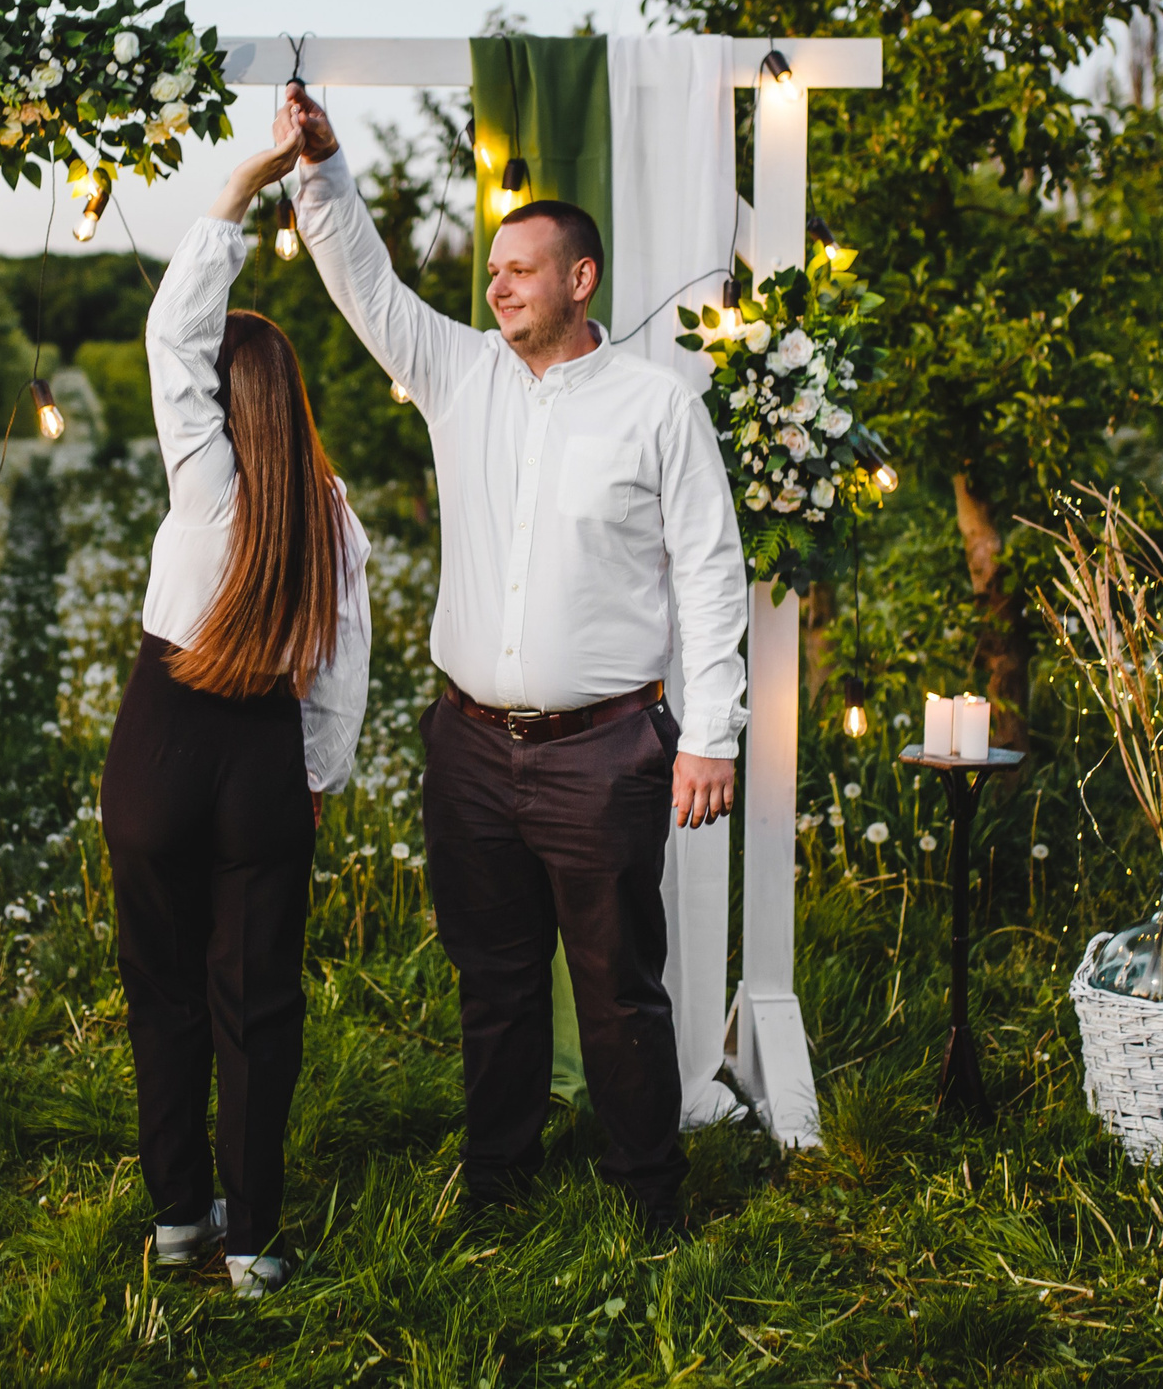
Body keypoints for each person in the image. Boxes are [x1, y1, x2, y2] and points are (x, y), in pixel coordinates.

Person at [282, 83, 748, 1234]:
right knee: (489, 984)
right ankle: (496, 1187)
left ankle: (652, 1200)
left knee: (618, 992)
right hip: (471, 748)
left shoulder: (656, 408)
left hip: (607, 753)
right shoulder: (458, 375)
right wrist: (323, 172)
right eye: (492, 269)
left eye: (520, 269)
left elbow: (709, 569)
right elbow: (365, 287)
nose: (496, 285)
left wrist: (710, 734)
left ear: (578, 280)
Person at [99, 102, 371, 1296]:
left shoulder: (204, 485)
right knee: (255, 1005)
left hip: (160, 748)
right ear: (292, 402)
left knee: (159, 989)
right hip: (264, 757)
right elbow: (344, 667)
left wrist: (240, 188)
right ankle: (253, 1241)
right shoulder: (333, 516)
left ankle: (174, 1218)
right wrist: (314, 782)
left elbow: (172, 334)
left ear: (221, 403)